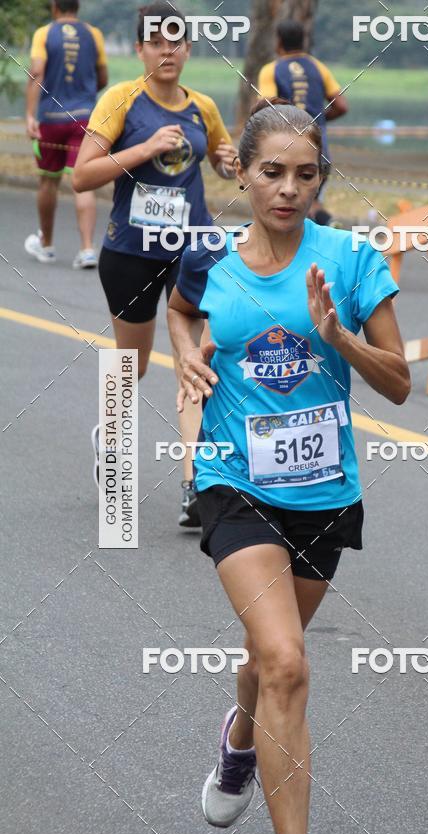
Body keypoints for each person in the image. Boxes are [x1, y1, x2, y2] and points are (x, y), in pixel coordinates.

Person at [167, 98, 410, 834]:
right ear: (240, 169)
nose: (288, 189)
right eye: (272, 171)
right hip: (234, 481)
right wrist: (185, 361)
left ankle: (240, 737)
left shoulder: (348, 259)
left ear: (320, 180)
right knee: (286, 663)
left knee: (270, 666)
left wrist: (337, 337)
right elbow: (178, 312)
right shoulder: (209, 261)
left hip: (324, 491)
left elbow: (401, 383)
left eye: (306, 174)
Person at [72, 1, 237, 527]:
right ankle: (109, 439)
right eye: (157, 42)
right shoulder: (120, 100)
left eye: (177, 41)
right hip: (131, 253)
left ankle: (195, 485)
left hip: (193, 252)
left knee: (196, 364)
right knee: (133, 365)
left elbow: (221, 153)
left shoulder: (203, 106)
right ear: (141, 49)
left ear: (189, 48)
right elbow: (83, 176)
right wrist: (143, 149)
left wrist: (229, 162)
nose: (168, 50)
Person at [25, 0, 107, 268]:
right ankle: (86, 250)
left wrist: (29, 115)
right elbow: (102, 77)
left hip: (51, 118)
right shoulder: (94, 33)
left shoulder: (44, 33)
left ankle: (46, 245)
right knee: (81, 182)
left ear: (54, 6)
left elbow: (36, 72)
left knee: (48, 181)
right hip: (84, 118)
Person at [257, 19, 348, 226]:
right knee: (310, 200)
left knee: (290, 203)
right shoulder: (318, 67)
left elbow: (266, 107)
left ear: (278, 42)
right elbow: (341, 105)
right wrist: (319, 120)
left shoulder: (271, 70)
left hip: (287, 151)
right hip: (319, 150)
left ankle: (322, 229)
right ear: (303, 41)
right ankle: (328, 225)